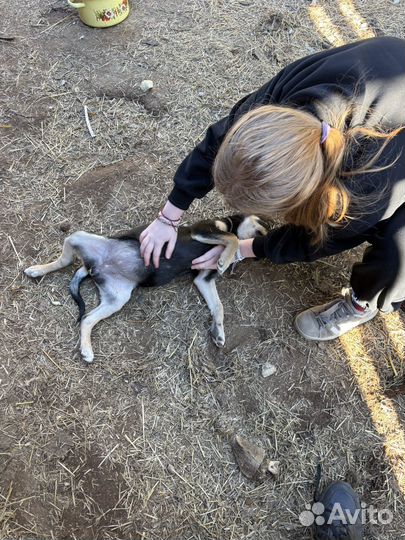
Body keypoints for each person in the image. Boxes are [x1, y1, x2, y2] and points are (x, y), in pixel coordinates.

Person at [139, 36, 405, 341]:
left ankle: (362, 303)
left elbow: (318, 240)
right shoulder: (276, 108)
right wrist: (168, 216)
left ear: (302, 197)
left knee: (397, 250)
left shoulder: (364, 189)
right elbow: (219, 139)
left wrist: (244, 249)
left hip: (395, 160)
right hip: (389, 61)